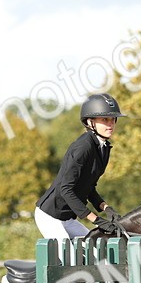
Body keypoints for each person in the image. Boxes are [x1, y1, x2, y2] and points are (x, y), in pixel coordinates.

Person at [35, 93, 127, 240]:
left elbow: (89, 187)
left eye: (113, 120)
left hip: (68, 219)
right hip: (50, 217)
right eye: (105, 119)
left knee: (95, 249)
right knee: (68, 256)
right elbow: (66, 189)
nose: (110, 124)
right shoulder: (83, 147)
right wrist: (96, 220)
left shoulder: (104, 148)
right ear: (90, 122)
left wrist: (106, 208)